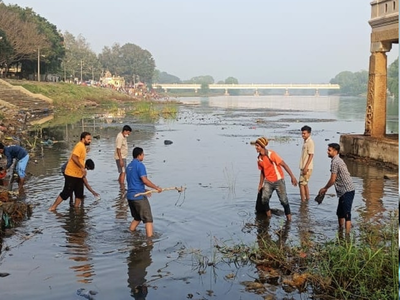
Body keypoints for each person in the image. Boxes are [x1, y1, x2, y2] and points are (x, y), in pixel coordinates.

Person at [254, 137, 297, 221]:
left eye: (257, 146)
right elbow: (262, 172)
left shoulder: (271, 154)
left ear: (262, 146)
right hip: (268, 181)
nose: (256, 147)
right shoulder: (259, 158)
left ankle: (289, 219)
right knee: (264, 200)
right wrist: (260, 185)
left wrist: (292, 176)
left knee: (284, 201)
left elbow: (284, 165)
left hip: (278, 180)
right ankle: (269, 216)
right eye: (256, 146)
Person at [49, 132, 92, 211]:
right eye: (88, 139)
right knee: (66, 193)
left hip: (78, 174)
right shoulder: (79, 146)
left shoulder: (82, 147)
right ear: (83, 139)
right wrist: (82, 167)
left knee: (79, 194)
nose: (90, 141)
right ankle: (53, 208)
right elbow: (74, 157)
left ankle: (77, 210)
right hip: (71, 174)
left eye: (90, 139)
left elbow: (79, 157)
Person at [319, 143, 355, 234]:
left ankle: (347, 236)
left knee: (347, 214)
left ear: (335, 151)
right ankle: (340, 231)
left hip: (347, 190)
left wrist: (325, 188)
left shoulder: (335, 162)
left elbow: (332, 179)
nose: (327, 152)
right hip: (343, 191)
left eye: (329, 150)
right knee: (340, 213)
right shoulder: (337, 160)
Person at [126, 147, 162, 237]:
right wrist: (156, 187)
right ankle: (150, 241)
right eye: (143, 154)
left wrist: (145, 190)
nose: (143, 156)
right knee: (148, 219)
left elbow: (133, 183)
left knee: (137, 218)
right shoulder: (140, 165)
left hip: (130, 196)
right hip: (139, 197)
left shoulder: (129, 166)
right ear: (139, 155)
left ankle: (130, 233)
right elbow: (144, 180)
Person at [299, 125, 314, 202]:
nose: (303, 135)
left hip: (307, 167)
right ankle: (307, 199)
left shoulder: (310, 142)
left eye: (304, 133)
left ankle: (303, 201)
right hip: (304, 166)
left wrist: (306, 167)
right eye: (302, 133)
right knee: (305, 184)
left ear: (309, 133)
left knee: (301, 184)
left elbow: (311, 155)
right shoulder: (305, 142)